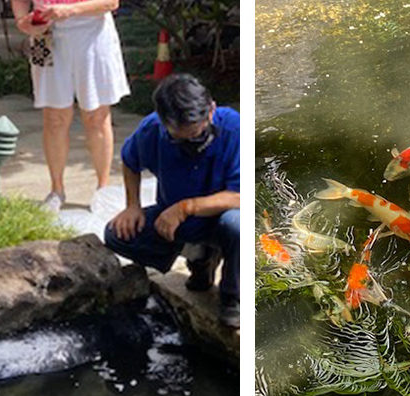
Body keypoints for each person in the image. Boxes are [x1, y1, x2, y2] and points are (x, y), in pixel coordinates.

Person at [103, 74, 241, 327]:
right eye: (180, 137)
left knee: (238, 226)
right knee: (116, 234)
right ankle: (199, 257)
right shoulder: (152, 129)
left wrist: (187, 207)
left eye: (196, 134)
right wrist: (132, 206)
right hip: (173, 223)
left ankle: (234, 297)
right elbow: (130, 162)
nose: (190, 142)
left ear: (210, 111)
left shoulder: (234, 129)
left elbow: (240, 196)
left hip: (219, 219)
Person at [12, 0, 130, 211]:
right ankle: (56, 190)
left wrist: (70, 10)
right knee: (53, 118)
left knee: (97, 117)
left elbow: (111, 2)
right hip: (43, 36)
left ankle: (103, 189)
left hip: (93, 35)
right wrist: (23, 21)